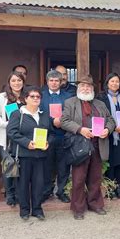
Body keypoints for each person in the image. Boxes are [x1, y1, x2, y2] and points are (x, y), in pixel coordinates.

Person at [61, 74, 115, 220]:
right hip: (79, 146)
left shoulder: (100, 104)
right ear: (78, 88)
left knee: (95, 177)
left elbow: (110, 120)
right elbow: (64, 121)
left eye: (88, 86)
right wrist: (80, 129)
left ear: (92, 89)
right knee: (78, 179)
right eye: (82, 86)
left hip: (98, 145)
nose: (85, 88)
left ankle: (95, 204)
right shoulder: (70, 102)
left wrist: (107, 130)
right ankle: (78, 208)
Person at [7, 87, 50, 220]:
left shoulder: (44, 115)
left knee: (39, 184)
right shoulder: (17, 114)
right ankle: (24, 210)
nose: (35, 99)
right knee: (23, 184)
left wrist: (48, 143)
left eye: (38, 97)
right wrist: (26, 143)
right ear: (25, 99)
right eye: (32, 96)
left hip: (40, 156)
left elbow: (52, 133)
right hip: (23, 155)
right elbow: (12, 132)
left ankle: (37, 209)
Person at [0, 71, 26, 207]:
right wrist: (7, 125)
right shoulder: (2, 97)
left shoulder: (26, 97)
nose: (16, 83)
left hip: (22, 137)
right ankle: (10, 194)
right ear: (9, 83)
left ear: (23, 82)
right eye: (13, 81)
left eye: (19, 80)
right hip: (5, 136)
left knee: (21, 166)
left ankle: (19, 194)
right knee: (9, 165)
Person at [39, 70, 73, 203]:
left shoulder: (68, 96)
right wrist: (52, 121)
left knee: (63, 165)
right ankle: (46, 190)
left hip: (63, 134)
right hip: (45, 134)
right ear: (47, 82)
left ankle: (62, 191)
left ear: (61, 82)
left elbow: (70, 113)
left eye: (56, 81)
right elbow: (38, 113)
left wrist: (62, 121)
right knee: (46, 165)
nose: (53, 83)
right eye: (51, 80)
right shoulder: (40, 96)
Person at [96, 73, 120, 199]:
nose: (115, 84)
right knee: (110, 162)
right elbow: (100, 116)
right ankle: (109, 188)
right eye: (112, 81)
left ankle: (118, 188)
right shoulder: (101, 97)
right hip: (109, 136)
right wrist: (112, 128)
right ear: (107, 83)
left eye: (117, 81)